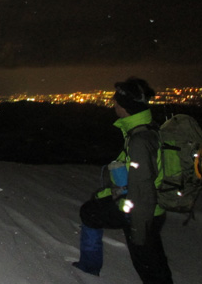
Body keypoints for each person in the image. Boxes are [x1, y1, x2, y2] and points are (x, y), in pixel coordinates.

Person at [72, 77, 173, 283]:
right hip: (149, 208)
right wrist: (109, 195)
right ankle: (88, 267)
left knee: (150, 268)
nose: (113, 105)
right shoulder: (146, 130)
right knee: (154, 264)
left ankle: (88, 268)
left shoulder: (139, 140)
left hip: (142, 212)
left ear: (126, 107)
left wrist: (136, 223)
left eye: (116, 102)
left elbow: (142, 185)